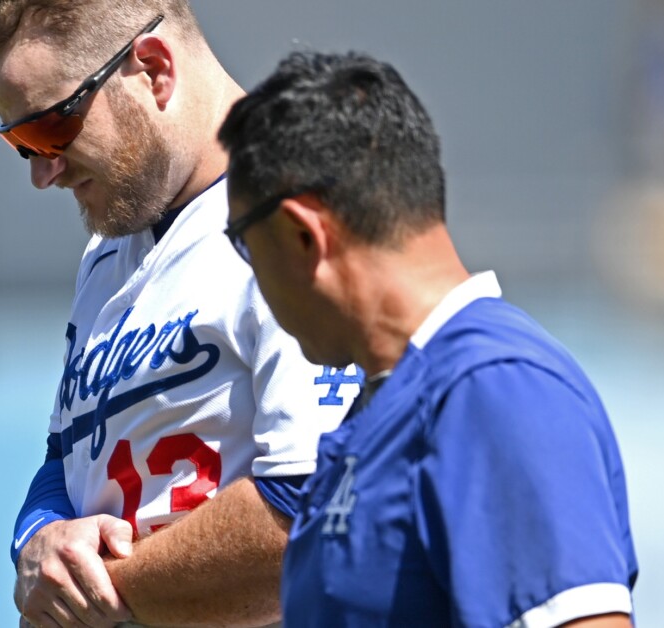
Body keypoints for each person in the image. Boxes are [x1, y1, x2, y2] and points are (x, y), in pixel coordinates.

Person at [0, 3, 361, 627]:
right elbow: (66, 459)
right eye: (20, 143)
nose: (43, 172)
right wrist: (38, 543)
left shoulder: (302, 214)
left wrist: (101, 600)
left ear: (152, 68)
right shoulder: (110, 249)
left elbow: (312, 512)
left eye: (51, 129)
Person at [218, 50, 639, 627]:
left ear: (302, 234)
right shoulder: (385, 405)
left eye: (242, 244)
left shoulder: (493, 390)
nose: (252, 281)